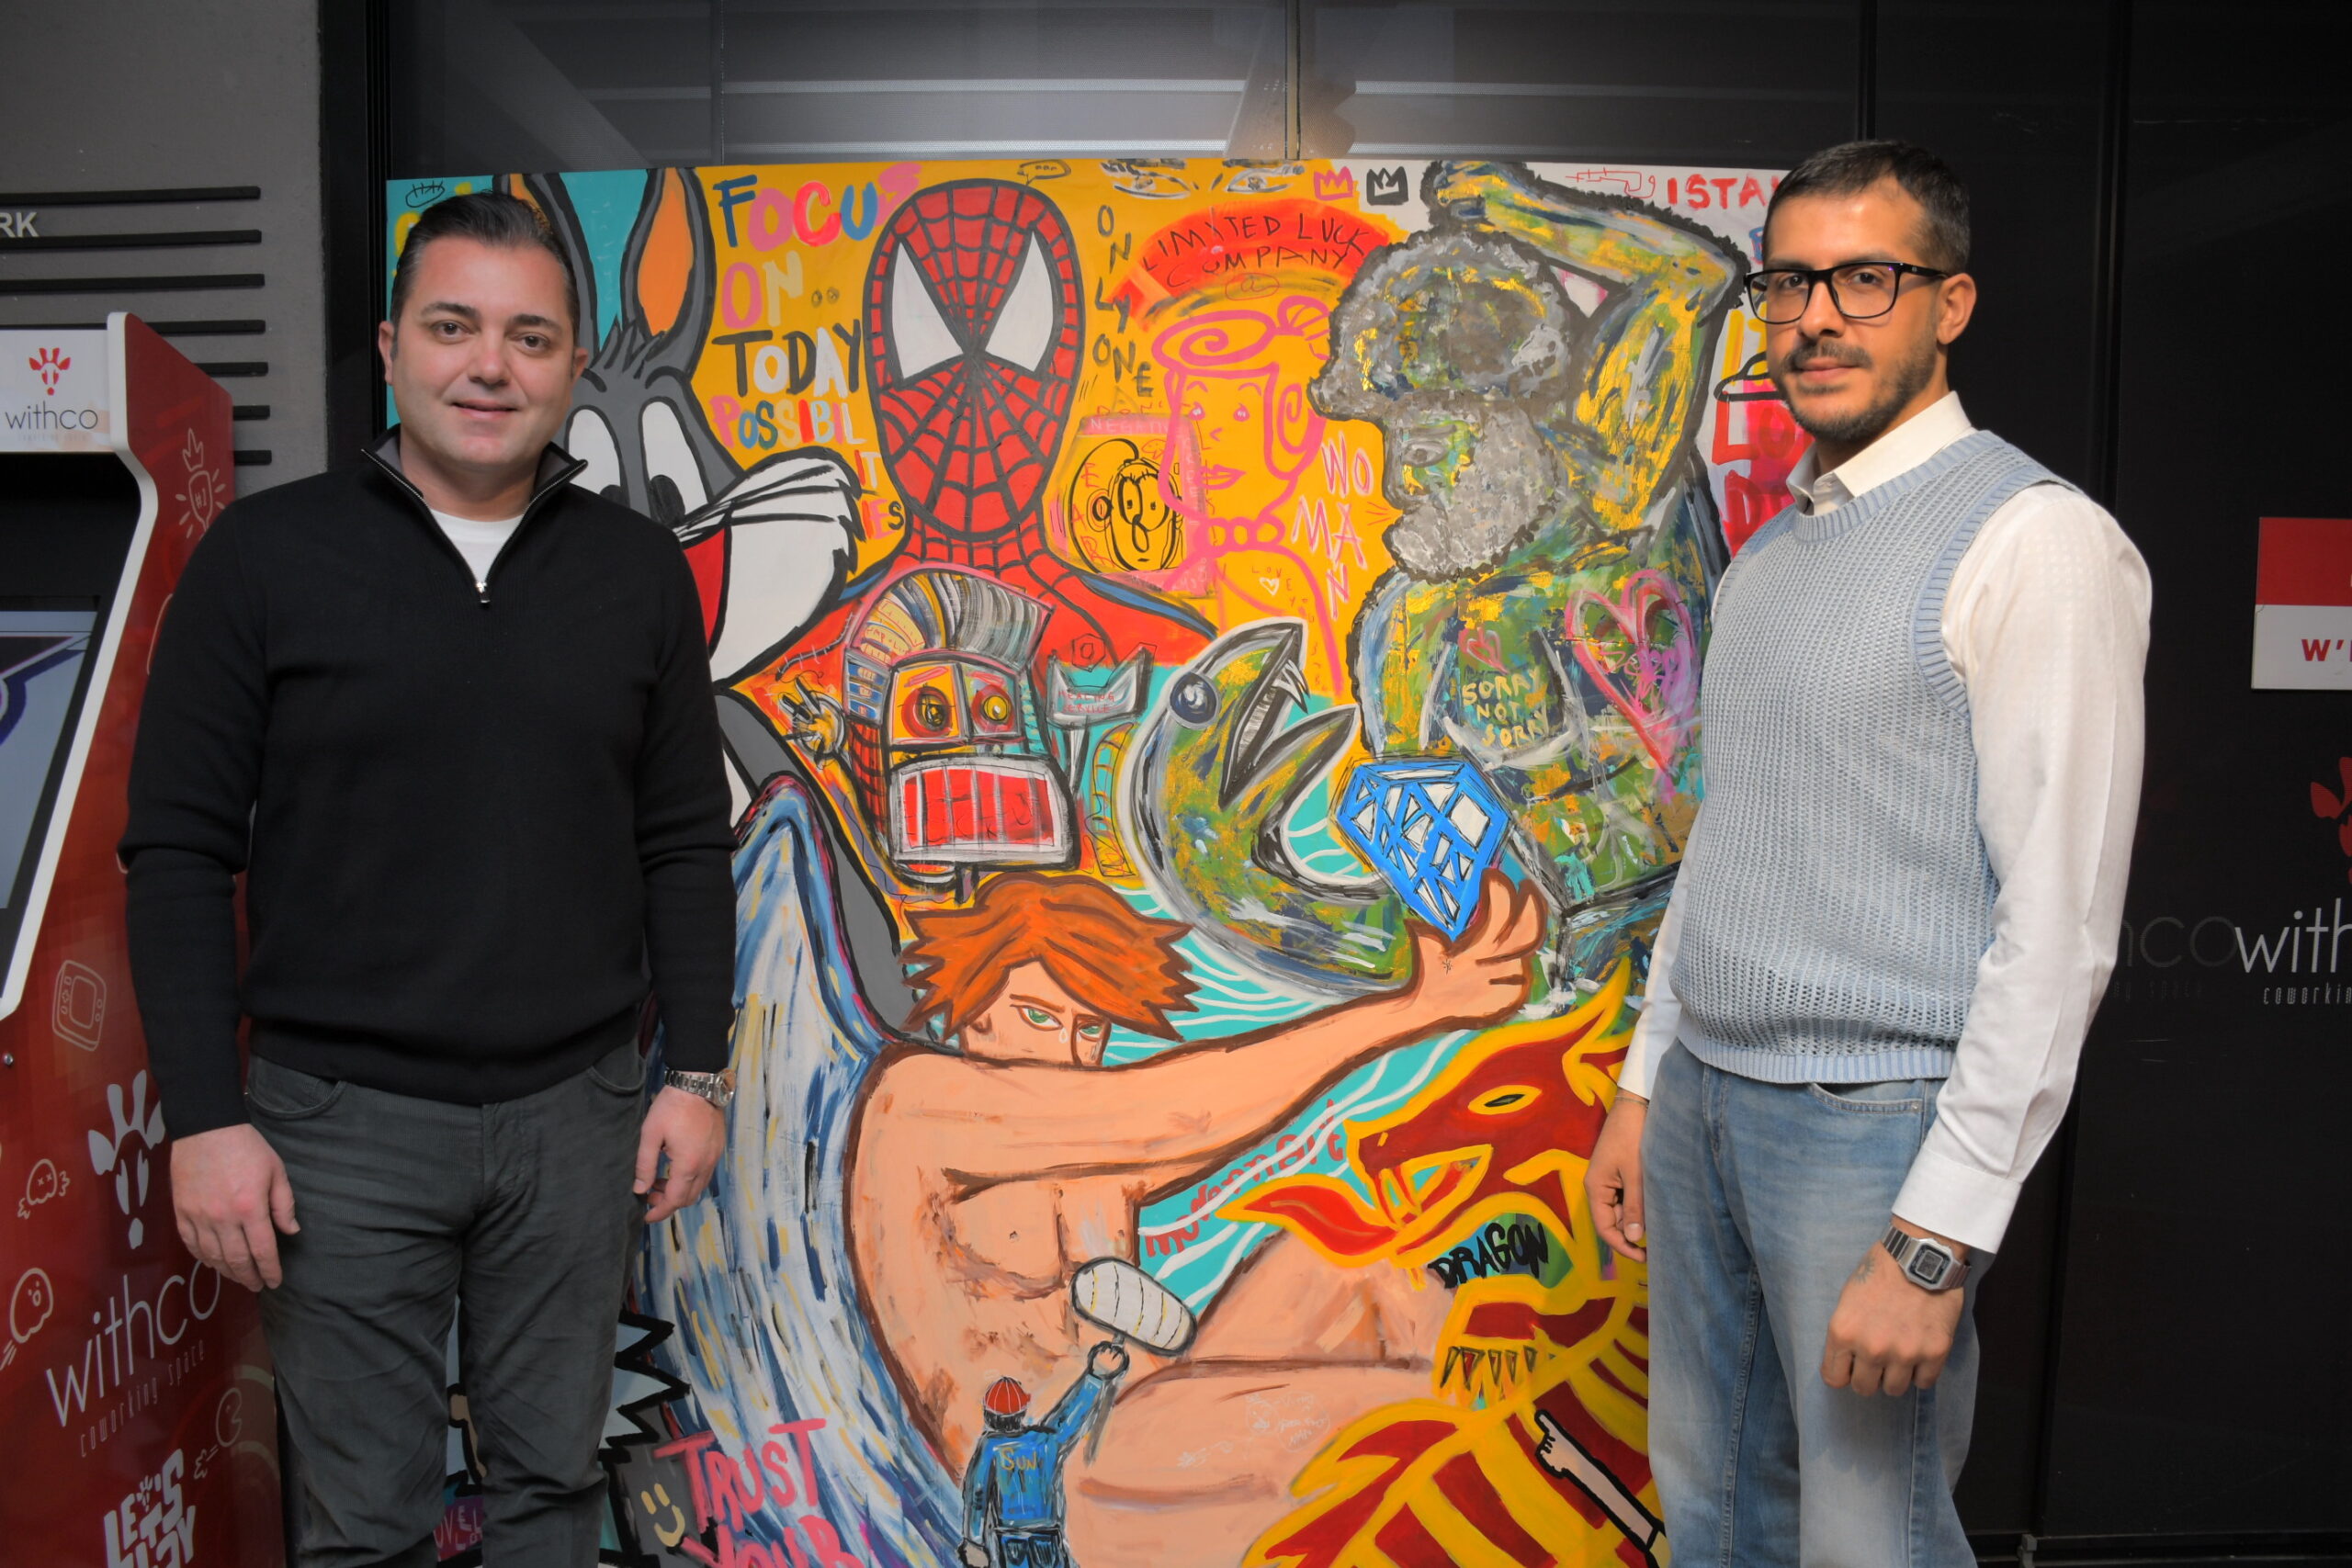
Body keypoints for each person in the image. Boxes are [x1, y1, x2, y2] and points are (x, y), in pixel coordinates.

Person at [121, 191, 740, 1567]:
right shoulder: (263, 559)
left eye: (530, 337)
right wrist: (203, 1118)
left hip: (577, 1116)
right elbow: (177, 850)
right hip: (333, 1129)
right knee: (365, 1524)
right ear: (392, 346)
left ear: (571, 364)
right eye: (455, 327)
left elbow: (686, 840)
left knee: (551, 1489)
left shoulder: (636, 570)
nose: (490, 366)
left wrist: (695, 1075)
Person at [1583, 140, 2149, 1564]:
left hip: (1871, 1125)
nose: (1815, 317)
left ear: (1950, 304)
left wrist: (1936, 1235)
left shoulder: (2033, 540)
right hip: (1707, 1105)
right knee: (1712, 1515)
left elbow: (2061, 928)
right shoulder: (1770, 560)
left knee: (1864, 1539)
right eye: (1788, 283)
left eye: (1864, 280)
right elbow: (1730, 842)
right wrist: (1648, 1082)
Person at [848, 868, 1542, 1566]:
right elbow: (1184, 1115)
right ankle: (1522, 1442)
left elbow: (1211, 1117)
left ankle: (1523, 1416)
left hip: (1158, 1425)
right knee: (1416, 1414)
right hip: (1059, 1479)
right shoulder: (916, 1105)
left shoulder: (1098, 1153)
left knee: (1354, 1264)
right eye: (1038, 1016)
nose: (1068, 1052)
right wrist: (1411, 1009)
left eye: (1090, 1029)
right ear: (976, 1011)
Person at [959, 1346, 1129, 1568]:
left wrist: (974, 1541)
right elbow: (1068, 1418)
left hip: (1011, 1540)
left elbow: (977, 1494)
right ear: (1021, 1412)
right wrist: (1095, 1377)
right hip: (1047, 1537)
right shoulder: (1044, 1441)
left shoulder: (990, 1447)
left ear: (988, 1414)